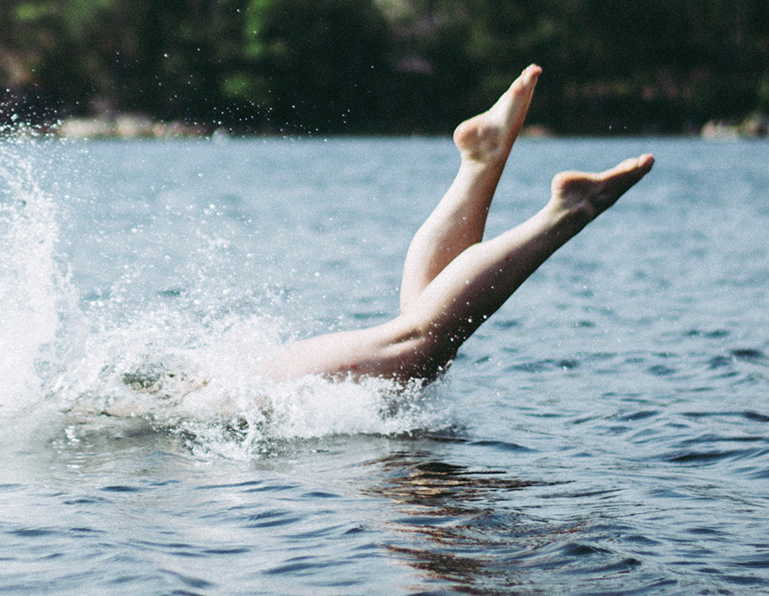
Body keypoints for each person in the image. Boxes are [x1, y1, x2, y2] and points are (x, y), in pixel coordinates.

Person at [268, 65, 653, 383]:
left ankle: (568, 210)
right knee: (417, 347)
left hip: (221, 387)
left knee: (415, 346)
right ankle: (482, 162)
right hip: (220, 381)